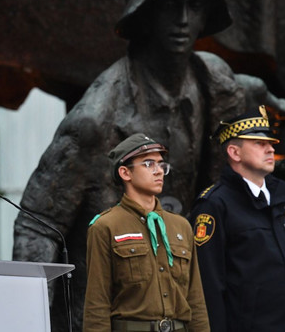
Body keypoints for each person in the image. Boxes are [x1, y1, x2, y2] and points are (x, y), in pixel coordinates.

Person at [12, 0, 285, 330]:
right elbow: (37, 226)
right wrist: (28, 319)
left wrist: (272, 102)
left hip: (185, 307)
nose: (183, 19)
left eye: (195, 5)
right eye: (169, 5)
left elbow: (245, 88)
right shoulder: (93, 121)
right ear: (144, 13)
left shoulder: (215, 82)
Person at [189, 105, 285, 332]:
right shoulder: (214, 205)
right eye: (259, 144)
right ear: (234, 152)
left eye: (271, 144)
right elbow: (209, 288)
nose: (270, 150)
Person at [84, 133, 209, 332]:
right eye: (149, 164)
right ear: (125, 173)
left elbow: (196, 299)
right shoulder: (106, 226)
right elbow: (97, 303)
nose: (159, 171)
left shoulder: (181, 226)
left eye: (161, 165)